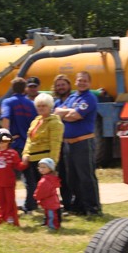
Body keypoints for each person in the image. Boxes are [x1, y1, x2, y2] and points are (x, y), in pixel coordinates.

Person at [54, 71, 101, 216]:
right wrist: (67, 113)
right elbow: (57, 112)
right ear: (75, 82)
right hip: (68, 144)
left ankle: (93, 208)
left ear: (89, 83)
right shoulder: (73, 97)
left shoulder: (90, 98)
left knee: (86, 176)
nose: (82, 83)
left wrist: (66, 113)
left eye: (85, 81)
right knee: (72, 178)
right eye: (80, 80)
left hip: (83, 143)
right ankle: (79, 207)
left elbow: (75, 115)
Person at [0, 77, 38, 213]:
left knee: (8, 178)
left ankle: (8, 207)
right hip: (28, 145)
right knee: (29, 178)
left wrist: (4, 140)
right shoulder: (31, 104)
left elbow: (5, 119)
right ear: (25, 88)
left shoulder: (8, 102)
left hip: (14, 146)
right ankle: (31, 205)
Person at [22, 93, 63, 206]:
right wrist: (25, 154)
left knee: (47, 187)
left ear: (50, 107)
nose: (41, 108)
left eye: (44, 105)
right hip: (32, 159)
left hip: (45, 161)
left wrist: (52, 163)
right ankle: (33, 207)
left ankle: (50, 209)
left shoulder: (55, 123)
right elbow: (29, 140)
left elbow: (56, 144)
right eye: (39, 106)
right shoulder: (35, 121)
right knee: (33, 186)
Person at [0, 128, 27, 226]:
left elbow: (18, 166)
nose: (2, 143)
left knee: (10, 202)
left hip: (9, 183)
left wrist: (25, 162)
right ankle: (0, 218)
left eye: (4, 140)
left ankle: (12, 219)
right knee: (1, 202)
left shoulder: (13, 153)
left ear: (9, 141)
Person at [51, 74, 74, 212]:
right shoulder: (55, 103)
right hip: (58, 144)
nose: (60, 87)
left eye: (63, 84)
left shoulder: (74, 99)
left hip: (72, 143)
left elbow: (74, 115)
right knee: (63, 175)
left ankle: (76, 202)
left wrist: (63, 114)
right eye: (58, 85)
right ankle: (66, 203)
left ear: (69, 85)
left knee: (73, 174)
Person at [33, 158, 62, 230]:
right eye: (40, 167)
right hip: (52, 201)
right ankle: (48, 223)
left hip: (49, 202)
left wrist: (36, 196)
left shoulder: (45, 180)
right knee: (50, 213)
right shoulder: (52, 178)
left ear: (50, 169)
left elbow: (42, 191)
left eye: (44, 167)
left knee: (51, 214)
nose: (41, 169)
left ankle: (52, 226)